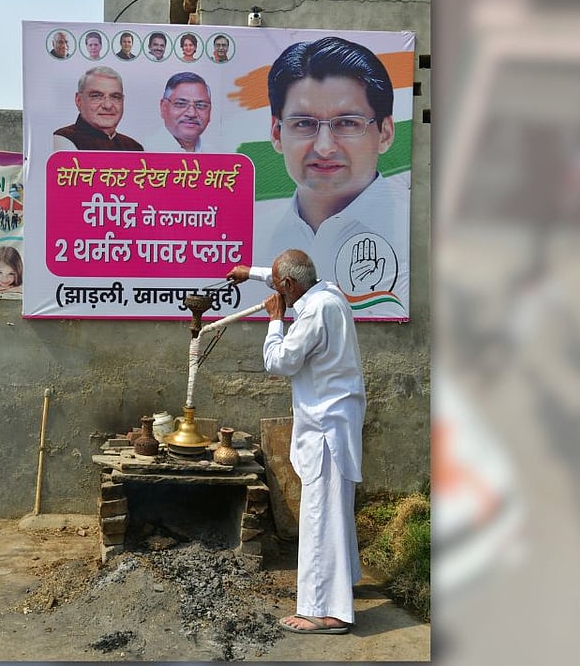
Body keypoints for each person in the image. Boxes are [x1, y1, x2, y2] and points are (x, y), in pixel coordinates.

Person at [229, 249, 365, 634]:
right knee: (335, 509)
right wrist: (250, 273)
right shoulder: (328, 293)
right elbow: (286, 278)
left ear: (289, 287)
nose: (277, 291)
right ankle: (344, 583)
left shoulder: (314, 313)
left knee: (321, 516)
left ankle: (326, 611)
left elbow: (280, 362)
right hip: (337, 419)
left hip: (326, 427)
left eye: (278, 285)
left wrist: (275, 322)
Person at [239, 37, 409, 315]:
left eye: (347, 123)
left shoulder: (409, 233)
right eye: (304, 123)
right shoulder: (259, 231)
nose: (324, 147)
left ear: (386, 133)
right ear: (276, 133)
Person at [52, 66, 144, 151]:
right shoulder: (63, 139)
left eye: (115, 97)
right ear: (79, 100)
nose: (107, 105)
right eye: (96, 96)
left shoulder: (133, 147)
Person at [145, 72, 212, 152]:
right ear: (164, 107)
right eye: (181, 104)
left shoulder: (217, 157)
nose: (192, 113)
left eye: (201, 105)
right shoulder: (144, 150)